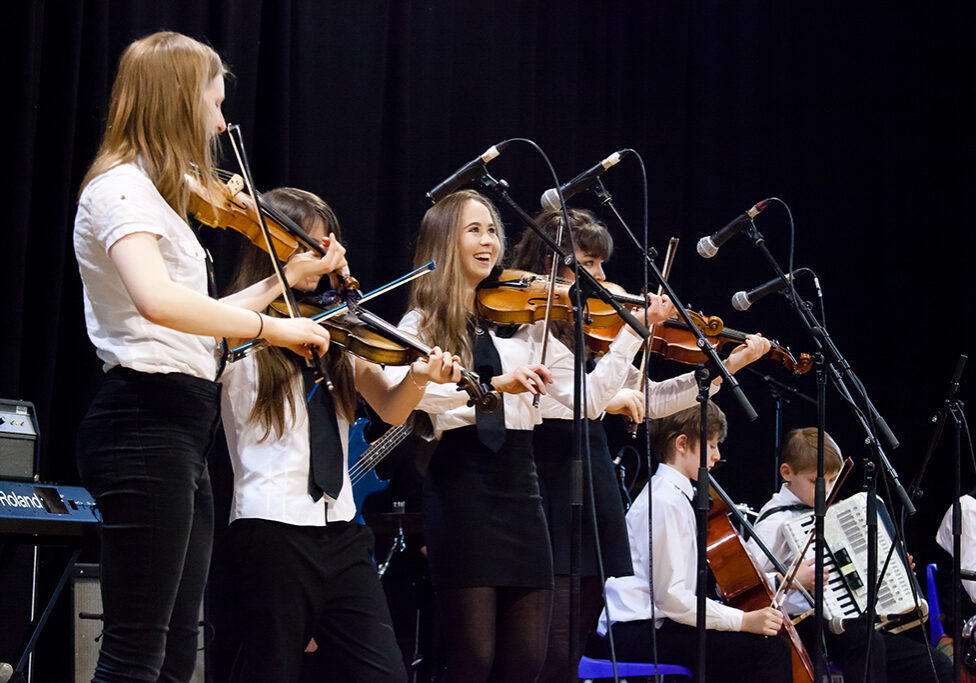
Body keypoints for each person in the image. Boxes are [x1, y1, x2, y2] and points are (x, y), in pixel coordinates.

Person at [73, 32, 335, 682]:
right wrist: (274, 333)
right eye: (214, 104)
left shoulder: (160, 196)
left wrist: (281, 281)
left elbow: (200, 325)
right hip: (141, 420)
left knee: (171, 655)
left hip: (183, 427)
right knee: (135, 652)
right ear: (178, 101)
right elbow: (158, 302)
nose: (221, 123)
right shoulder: (121, 190)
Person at [387, 189, 674, 683]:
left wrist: (634, 331)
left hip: (523, 490)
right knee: (473, 658)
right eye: (473, 230)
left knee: (527, 660)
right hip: (463, 487)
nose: (488, 241)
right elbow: (417, 404)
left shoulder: (525, 323)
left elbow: (586, 399)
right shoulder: (424, 322)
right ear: (443, 241)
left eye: (493, 231)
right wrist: (494, 387)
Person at [510, 207, 772, 683]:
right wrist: (634, 334)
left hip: (591, 478)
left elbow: (654, 401)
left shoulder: (592, 332)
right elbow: (581, 400)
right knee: (546, 642)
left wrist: (725, 369)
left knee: (572, 637)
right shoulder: (534, 330)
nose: (603, 277)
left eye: (600, 264)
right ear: (554, 266)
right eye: (589, 264)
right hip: (549, 475)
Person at [219, 187, 463, 682]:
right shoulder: (240, 325)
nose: (330, 254)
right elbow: (205, 329)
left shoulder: (337, 331)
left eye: (333, 242)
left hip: (342, 529)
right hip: (271, 528)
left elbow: (392, 409)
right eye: (314, 244)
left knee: (384, 673)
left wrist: (418, 378)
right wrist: (282, 282)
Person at [591, 401, 794, 683]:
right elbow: (672, 599)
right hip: (634, 631)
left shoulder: (676, 495)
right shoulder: (664, 500)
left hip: (658, 624)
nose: (717, 455)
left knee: (753, 647)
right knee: (767, 651)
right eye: (711, 446)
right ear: (682, 444)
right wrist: (743, 621)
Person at [752, 427, 952, 682]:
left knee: (935, 665)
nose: (827, 490)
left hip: (846, 626)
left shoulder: (835, 514)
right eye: (817, 481)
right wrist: (789, 580)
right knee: (866, 642)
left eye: (833, 480)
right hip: (796, 626)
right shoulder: (773, 522)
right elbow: (746, 588)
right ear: (786, 472)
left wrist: (893, 569)